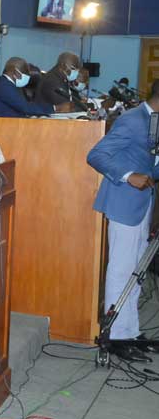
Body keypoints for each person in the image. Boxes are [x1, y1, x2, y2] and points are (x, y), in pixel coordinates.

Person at [87, 80, 159, 362]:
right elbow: (96, 155)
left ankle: (130, 331)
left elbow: (151, 165)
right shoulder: (132, 120)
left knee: (135, 271)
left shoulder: (154, 121)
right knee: (121, 270)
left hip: (142, 204)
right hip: (124, 202)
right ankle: (116, 336)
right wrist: (129, 176)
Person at [0, 57, 74, 117]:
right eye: (25, 73)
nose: (28, 77)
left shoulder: (6, 83)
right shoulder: (4, 86)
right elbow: (26, 108)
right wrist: (56, 108)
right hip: (3, 126)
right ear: (15, 72)